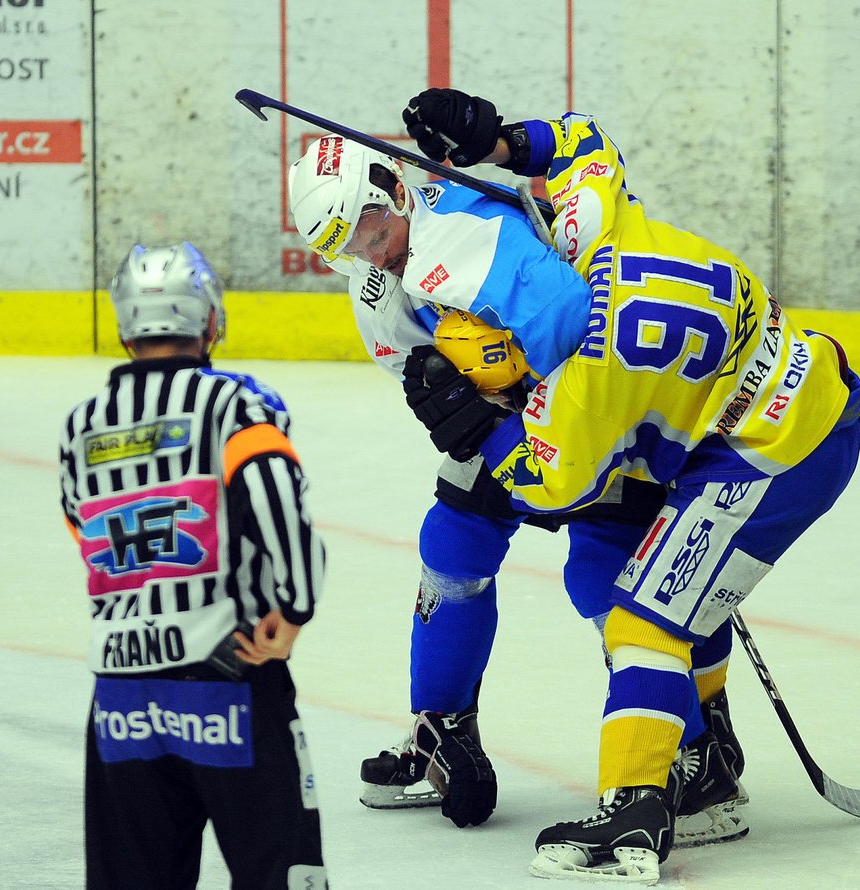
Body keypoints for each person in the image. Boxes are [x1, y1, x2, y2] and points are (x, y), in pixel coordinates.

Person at [399, 89, 860, 883]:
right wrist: (502, 141)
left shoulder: (582, 389)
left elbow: (548, 485)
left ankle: (635, 814)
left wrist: (478, 427)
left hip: (772, 451)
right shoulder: (593, 228)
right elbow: (583, 139)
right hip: (798, 383)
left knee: (645, 617)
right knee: (649, 591)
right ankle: (705, 761)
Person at [286, 136, 748, 845]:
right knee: (454, 540)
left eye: (376, 234)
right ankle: (441, 729)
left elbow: (577, 330)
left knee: (604, 576)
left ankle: (696, 748)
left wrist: (512, 384)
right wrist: (469, 394)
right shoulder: (384, 275)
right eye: (351, 247)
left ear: (394, 191)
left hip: (595, 399)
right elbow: (420, 369)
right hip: (521, 408)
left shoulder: (471, 237)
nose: (373, 256)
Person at [58, 241, 329, 890]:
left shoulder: (82, 426)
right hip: (228, 678)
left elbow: (82, 527)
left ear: (125, 327)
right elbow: (279, 508)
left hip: (122, 698)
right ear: (210, 321)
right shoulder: (235, 406)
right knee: (279, 874)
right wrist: (291, 612)